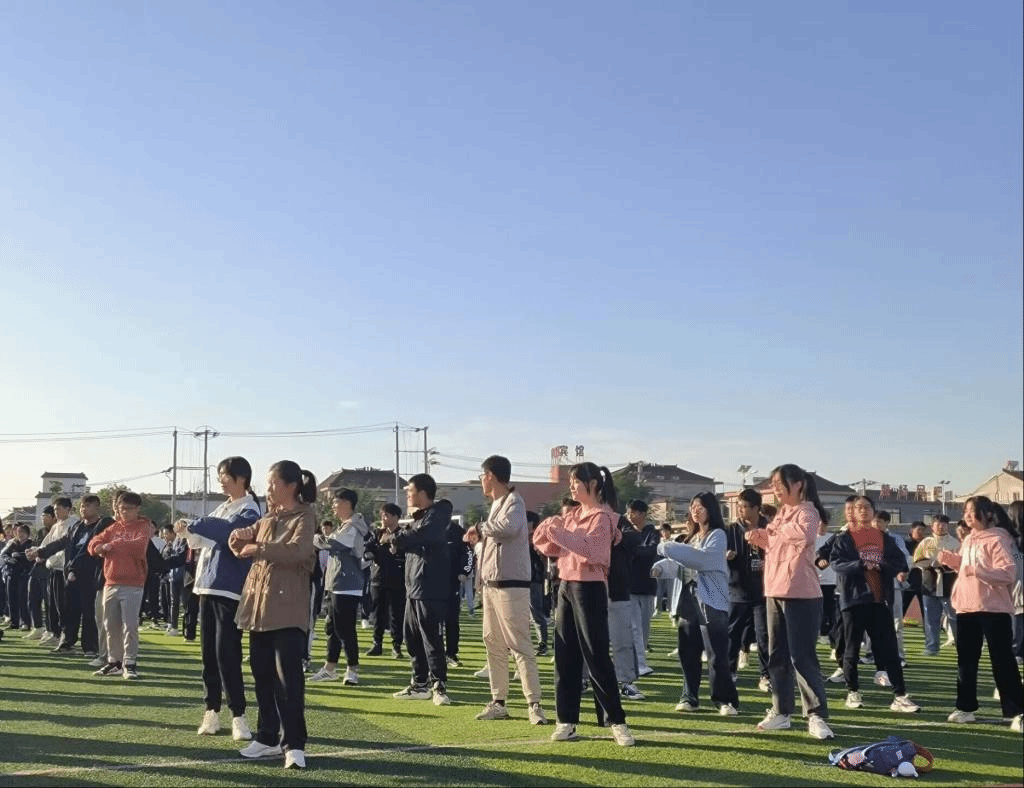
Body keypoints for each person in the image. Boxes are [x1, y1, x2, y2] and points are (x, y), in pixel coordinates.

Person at [532, 462, 635, 747]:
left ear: (593, 485)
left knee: (596, 654)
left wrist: (559, 532)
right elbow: (544, 544)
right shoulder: (573, 515)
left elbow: (594, 552)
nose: (571, 486)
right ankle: (566, 720)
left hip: (589, 588)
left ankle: (617, 721)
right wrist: (549, 527)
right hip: (566, 585)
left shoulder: (602, 517)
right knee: (565, 655)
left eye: (576, 481)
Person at [229, 460, 316, 770]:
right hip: (259, 609)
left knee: (288, 679)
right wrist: (237, 537)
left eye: (272, 483)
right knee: (262, 675)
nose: (267, 489)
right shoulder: (267, 517)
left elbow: (298, 551)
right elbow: (242, 540)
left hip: (288, 609)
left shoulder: (305, 516)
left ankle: (294, 744)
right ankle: (267, 737)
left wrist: (258, 548)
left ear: (291, 486)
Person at [174, 456, 261, 741]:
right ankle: (211, 710)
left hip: (229, 588)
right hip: (207, 587)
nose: (220, 480)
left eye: (224, 475)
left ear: (240, 478)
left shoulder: (250, 509)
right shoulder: (223, 507)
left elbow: (226, 532)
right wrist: (188, 529)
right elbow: (202, 539)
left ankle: (239, 715)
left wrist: (194, 523)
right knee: (208, 655)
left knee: (228, 654)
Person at [745, 464, 834, 740]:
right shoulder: (782, 514)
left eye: (779, 483)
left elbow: (804, 536)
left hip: (801, 593)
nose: (775, 489)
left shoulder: (807, 511)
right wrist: (760, 537)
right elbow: (776, 545)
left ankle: (816, 714)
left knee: (802, 657)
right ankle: (781, 711)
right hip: (774, 590)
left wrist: (774, 531)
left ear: (798, 485)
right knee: (777, 656)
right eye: (772, 484)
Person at [473, 455, 548, 725]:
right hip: (492, 585)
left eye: (482, 476)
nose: (481, 481)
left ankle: (534, 704)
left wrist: (481, 528)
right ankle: (498, 702)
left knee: (519, 645)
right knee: (493, 643)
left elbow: (509, 528)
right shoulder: (497, 504)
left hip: (511, 585)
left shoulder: (515, 501)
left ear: (490, 476)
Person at [938, 496, 1023, 731]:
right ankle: (965, 708)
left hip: (993, 608)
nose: (966, 516)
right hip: (966, 606)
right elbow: (966, 569)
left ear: (987, 514)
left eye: (971, 511)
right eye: (965, 511)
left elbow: (1008, 574)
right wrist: (953, 561)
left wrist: (975, 569)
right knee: (966, 661)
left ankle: (1016, 711)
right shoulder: (969, 539)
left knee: (1002, 660)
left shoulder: (998, 538)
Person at [829, 496, 920, 713]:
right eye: (859, 508)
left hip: (880, 600)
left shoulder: (884, 538)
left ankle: (900, 696)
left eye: (867, 507)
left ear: (873, 511)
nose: (863, 511)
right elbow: (837, 563)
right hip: (853, 600)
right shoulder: (843, 538)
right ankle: (853, 692)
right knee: (851, 650)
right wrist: (861, 564)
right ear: (852, 512)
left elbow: (900, 562)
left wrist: (882, 566)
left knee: (890, 650)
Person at [654, 491, 739, 716]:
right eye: (693, 507)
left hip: (711, 599)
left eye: (700, 507)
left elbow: (702, 560)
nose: (695, 511)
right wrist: (661, 567)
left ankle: (724, 699)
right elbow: (681, 565)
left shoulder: (718, 535)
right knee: (688, 649)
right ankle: (689, 696)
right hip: (688, 597)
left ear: (711, 510)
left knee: (716, 651)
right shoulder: (691, 538)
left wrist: (665, 546)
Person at [390, 474, 454, 706]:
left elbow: (422, 535)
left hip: (431, 588)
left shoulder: (439, 512)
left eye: (410, 491)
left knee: (431, 639)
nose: (407, 495)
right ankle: (420, 684)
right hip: (413, 587)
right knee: (412, 638)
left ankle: (439, 686)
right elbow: (406, 541)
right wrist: (399, 540)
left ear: (422, 492)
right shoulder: (418, 519)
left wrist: (399, 538)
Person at [28, 495, 104, 655]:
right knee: (69, 610)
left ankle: (90, 647)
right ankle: (66, 643)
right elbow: (60, 543)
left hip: (91, 575)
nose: (84, 509)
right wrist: (40, 552)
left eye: (88, 506)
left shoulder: (102, 526)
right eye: (82, 506)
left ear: (97, 508)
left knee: (89, 613)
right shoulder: (77, 527)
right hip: (71, 574)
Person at [87, 492, 152, 679]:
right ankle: (114, 661)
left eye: (129, 509)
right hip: (111, 581)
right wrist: (100, 547)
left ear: (137, 509)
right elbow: (93, 543)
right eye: (122, 508)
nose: (124, 512)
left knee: (129, 625)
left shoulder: (143, 526)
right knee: (110, 625)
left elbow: (139, 547)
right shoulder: (114, 527)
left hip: (133, 583)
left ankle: (129, 662)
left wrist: (112, 545)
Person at [311, 488, 369, 685]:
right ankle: (330, 668)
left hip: (347, 585)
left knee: (345, 629)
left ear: (346, 503)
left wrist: (312, 537)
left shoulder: (352, 527)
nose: (333, 506)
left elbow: (330, 543)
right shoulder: (345, 526)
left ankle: (352, 670)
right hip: (337, 584)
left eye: (336, 502)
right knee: (332, 628)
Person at [725, 488, 769, 692]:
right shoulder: (731, 530)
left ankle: (766, 675)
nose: (740, 510)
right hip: (737, 589)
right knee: (732, 633)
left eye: (745, 507)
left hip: (764, 590)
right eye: (739, 506)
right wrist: (727, 556)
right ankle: (730, 671)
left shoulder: (769, 527)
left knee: (764, 634)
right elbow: (720, 552)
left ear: (756, 508)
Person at [365, 503, 407, 658]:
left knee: (397, 614)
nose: (383, 518)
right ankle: (377, 644)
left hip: (398, 580)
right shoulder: (377, 533)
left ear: (396, 517)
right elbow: (368, 548)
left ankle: (397, 646)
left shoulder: (403, 534)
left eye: (386, 515)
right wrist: (369, 554)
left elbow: (407, 555)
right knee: (378, 614)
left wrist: (396, 551)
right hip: (378, 579)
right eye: (382, 515)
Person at [914, 515, 960, 656]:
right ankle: (932, 647)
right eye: (938, 524)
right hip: (929, 585)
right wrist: (931, 563)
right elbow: (917, 560)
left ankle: (961, 646)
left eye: (944, 524)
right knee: (930, 619)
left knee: (954, 617)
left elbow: (960, 563)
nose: (941, 527)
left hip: (949, 585)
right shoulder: (925, 542)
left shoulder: (955, 543)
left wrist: (946, 565)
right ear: (932, 526)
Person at [626, 500, 659, 678]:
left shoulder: (652, 533)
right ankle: (639, 663)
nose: (630, 516)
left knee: (644, 627)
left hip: (647, 585)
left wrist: (633, 551)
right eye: (629, 512)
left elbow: (651, 551)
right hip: (629, 587)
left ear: (643, 514)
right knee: (635, 628)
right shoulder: (626, 531)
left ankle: (640, 659)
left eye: (633, 512)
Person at [443, 516, 473, 668]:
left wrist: (464, 571)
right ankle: (433, 655)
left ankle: (451, 654)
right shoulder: (428, 528)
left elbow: (468, 553)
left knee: (451, 620)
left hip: (451, 583)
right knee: (431, 621)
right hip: (429, 584)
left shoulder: (457, 531)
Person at [1, 524, 34, 631]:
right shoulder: (13, 543)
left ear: (27, 534)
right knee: (11, 598)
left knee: (23, 598)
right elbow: (4, 554)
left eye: (23, 532)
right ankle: (14, 621)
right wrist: (9, 559)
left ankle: (25, 622)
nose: (20, 534)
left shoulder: (31, 544)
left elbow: (30, 556)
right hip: (12, 573)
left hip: (24, 574)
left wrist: (17, 555)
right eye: (18, 532)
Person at [526, 512, 549, 656]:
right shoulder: (524, 539)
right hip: (523, 579)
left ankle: (543, 644)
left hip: (534, 579)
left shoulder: (538, 539)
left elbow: (544, 558)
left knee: (536, 613)